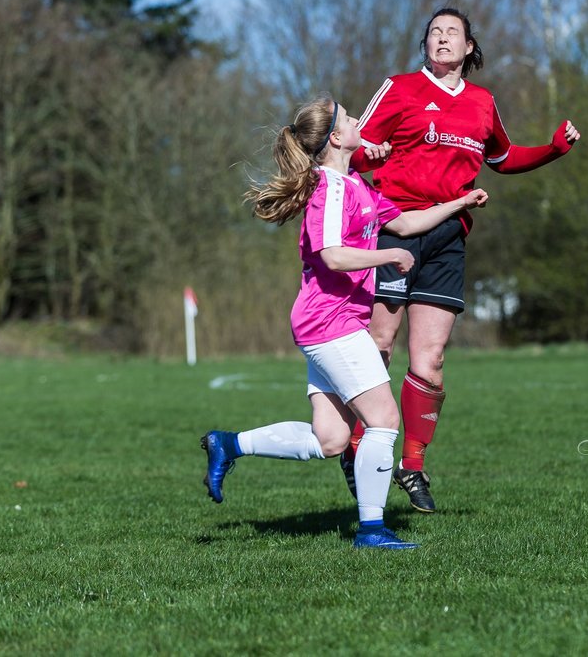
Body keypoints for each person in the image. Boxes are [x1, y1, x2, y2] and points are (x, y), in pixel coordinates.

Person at [201, 96, 487, 550]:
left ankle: (229, 444)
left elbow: (408, 223)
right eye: (351, 118)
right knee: (384, 419)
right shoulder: (330, 188)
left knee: (331, 439)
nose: (359, 122)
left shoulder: (354, 185)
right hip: (330, 321)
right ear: (336, 137)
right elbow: (333, 255)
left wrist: (459, 202)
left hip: (329, 322)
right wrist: (388, 255)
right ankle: (372, 531)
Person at [347, 6, 581, 514]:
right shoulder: (399, 88)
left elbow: (502, 157)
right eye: (434, 32)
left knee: (430, 361)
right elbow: (354, 149)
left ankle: (412, 465)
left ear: (470, 47)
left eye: (452, 32)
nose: (442, 38)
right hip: (394, 229)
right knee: (380, 344)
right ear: (425, 45)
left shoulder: (481, 103)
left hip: (449, 235)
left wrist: (554, 149)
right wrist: (372, 154)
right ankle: (357, 445)